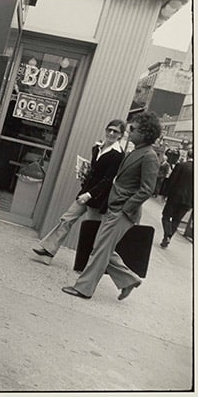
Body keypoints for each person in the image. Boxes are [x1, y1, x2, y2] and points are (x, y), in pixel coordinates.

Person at [62, 111, 161, 300]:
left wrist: (126, 207)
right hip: (115, 208)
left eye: (133, 129)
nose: (128, 132)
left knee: (100, 249)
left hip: (123, 212)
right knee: (102, 247)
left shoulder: (149, 156)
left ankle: (84, 288)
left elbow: (147, 189)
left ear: (145, 132)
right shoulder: (136, 151)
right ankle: (129, 279)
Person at [31, 120, 126, 265]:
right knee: (67, 219)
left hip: (98, 198)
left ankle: (89, 264)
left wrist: (89, 194)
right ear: (105, 129)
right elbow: (94, 172)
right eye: (110, 130)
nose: (111, 133)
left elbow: (107, 180)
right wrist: (83, 174)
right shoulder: (97, 147)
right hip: (85, 193)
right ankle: (48, 251)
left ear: (120, 135)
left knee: (92, 231)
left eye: (116, 132)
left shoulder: (118, 155)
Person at [160, 150, 193, 248]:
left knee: (166, 216)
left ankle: (167, 234)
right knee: (177, 220)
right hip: (188, 201)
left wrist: (165, 194)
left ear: (188, 155)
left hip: (175, 196)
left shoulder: (181, 165)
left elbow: (172, 180)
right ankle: (168, 237)